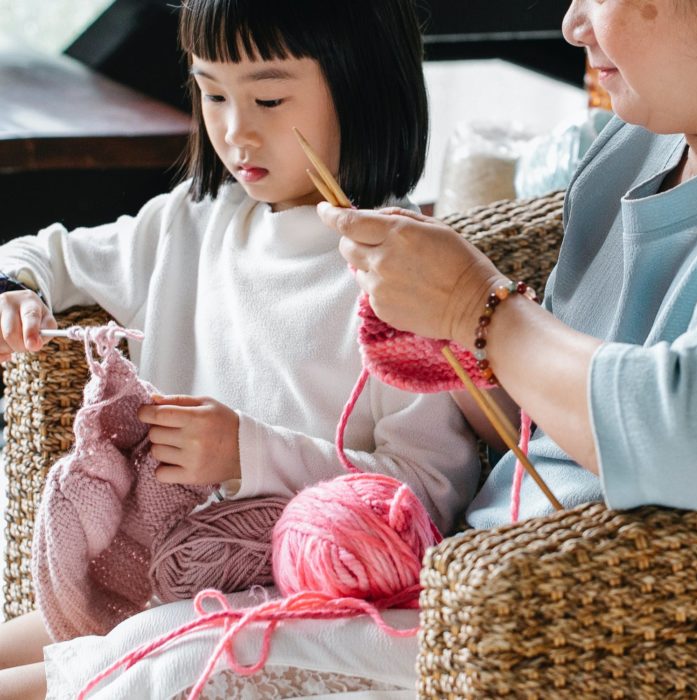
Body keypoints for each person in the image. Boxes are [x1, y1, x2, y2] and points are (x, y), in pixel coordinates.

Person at [0, 1, 480, 698]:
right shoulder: (188, 230)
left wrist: (246, 453)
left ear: (361, 84)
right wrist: (15, 288)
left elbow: (428, 498)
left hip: (289, 605)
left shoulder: (407, 274)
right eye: (212, 91)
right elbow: (47, 253)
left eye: (268, 97)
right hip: (153, 580)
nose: (234, 129)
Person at [320, 0, 697, 531]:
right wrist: (452, 331)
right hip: (476, 554)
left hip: (580, 583)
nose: (572, 26)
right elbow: (539, 433)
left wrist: (477, 307)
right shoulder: (632, 144)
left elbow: (681, 439)